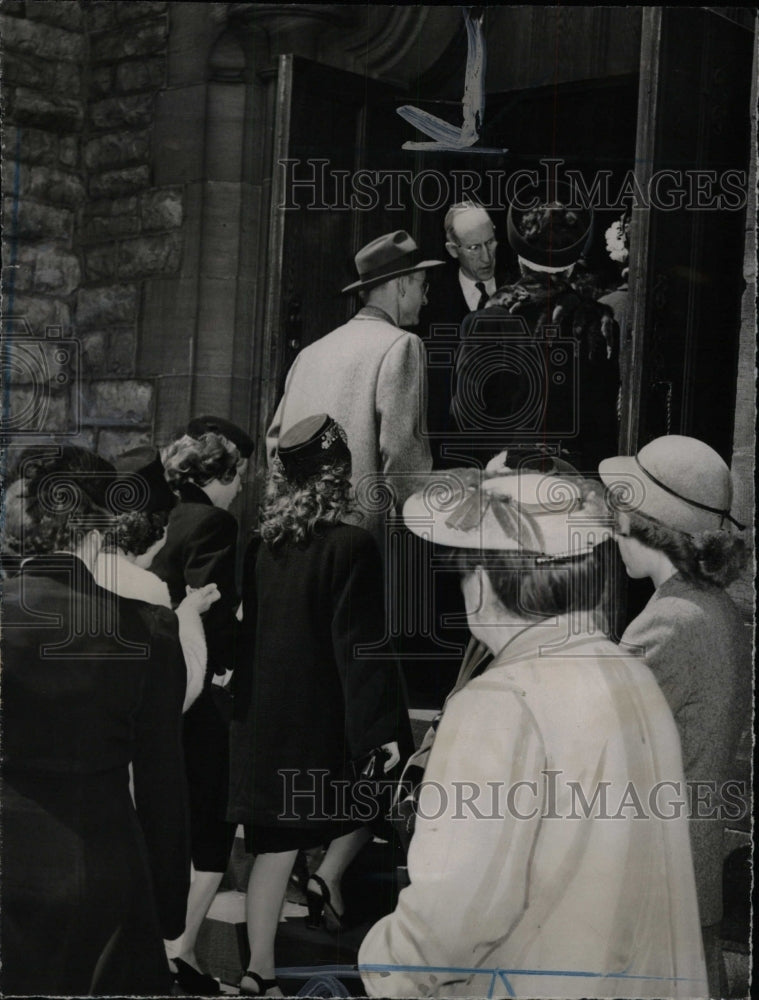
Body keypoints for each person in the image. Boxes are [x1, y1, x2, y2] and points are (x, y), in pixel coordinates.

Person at [358, 469, 707, 998]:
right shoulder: (629, 672)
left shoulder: (498, 702)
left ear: (482, 581)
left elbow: (452, 918)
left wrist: (382, 967)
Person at [229, 414, 413, 998]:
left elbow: (250, 634)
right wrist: (379, 731)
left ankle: (258, 970)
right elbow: (358, 648)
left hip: (265, 720)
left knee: (274, 848)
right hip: (322, 717)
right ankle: (329, 876)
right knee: (376, 793)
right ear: (339, 475)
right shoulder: (351, 546)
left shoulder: (261, 545)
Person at [1, 446, 190, 996]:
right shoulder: (148, 630)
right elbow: (162, 782)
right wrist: (168, 907)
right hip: (101, 871)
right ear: (99, 530)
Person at [599, 434, 750, 997]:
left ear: (649, 524)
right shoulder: (714, 607)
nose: (613, 530)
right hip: (690, 863)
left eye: (621, 513)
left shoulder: (668, 624)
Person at [266, 230, 442, 551]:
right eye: (422, 285)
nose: (426, 298)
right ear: (402, 285)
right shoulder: (402, 345)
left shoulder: (310, 353)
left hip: (297, 541)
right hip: (361, 548)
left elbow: (276, 447)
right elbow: (404, 463)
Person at [149, 431, 244, 995]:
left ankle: (171, 945)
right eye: (236, 478)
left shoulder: (171, 519)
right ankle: (180, 951)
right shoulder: (214, 524)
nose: (239, 489)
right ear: (218, 479)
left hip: (164, 688)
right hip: (201, 689)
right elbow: (208, 603)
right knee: (213, 821)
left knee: (176, 814)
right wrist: (233, 661)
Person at [451, 181, 619, 473]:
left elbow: (465, 417)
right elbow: (602, 423)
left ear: (519, 258)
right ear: (570, 266)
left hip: (502, 477)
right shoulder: (598, 322)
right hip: (570, 479)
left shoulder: (484, 322)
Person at [94, 445, 220, 713]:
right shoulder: (146, 588)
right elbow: (178, 690)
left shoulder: (88, 569)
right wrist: (189, 614)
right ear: (159, 528)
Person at [424, 203, 511, 469]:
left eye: (490, 242)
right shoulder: (431, 305)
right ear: (453, 250)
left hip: (512, 454)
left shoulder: (519, 289)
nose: (487, 257)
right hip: (453, 457)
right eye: (474, 248)